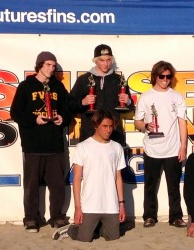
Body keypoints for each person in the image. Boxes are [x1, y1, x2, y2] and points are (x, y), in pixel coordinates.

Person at [10, 51, 71, 233]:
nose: (51, 69)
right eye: (48, 65)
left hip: (54, 144)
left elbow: (67, 109)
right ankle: (31, 218)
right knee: (31, 185)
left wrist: (62, 118)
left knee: (57, 185)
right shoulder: (26, 86)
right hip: (33, 144)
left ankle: (57, 216)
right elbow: (15, 113)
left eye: (54, 66)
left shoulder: (58, 87)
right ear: (39, 66)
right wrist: (33, 119)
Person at [52, 110, 126, 241]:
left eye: (111, 126)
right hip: (90, 204)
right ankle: (70, 229)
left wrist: (121, 204)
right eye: (105, 126)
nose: (108, 130)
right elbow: (76, 179)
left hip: (110, 204)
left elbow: (118, 177)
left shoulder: (117, 147)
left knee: (113, 237)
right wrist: (78, 207)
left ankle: (96, 227)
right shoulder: (83, 147)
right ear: (96, 126)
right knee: (85, 238)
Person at [134, 60, 187, 228]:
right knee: (150, 186)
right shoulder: (146, 97)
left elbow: (182, 123)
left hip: (172, 150)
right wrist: (145, 126)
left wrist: (183, 146)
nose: (165, 79)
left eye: (168, 76)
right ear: (155, 76)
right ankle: (149, 217)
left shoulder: (177, 97)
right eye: (162, 76)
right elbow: (137, 122)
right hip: (152, 149)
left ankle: (176, 217)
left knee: (174, 187)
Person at [69, 44, 134, 147]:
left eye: (108, 60)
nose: (105, 64)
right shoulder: (83, 79)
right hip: (90, 135)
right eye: (102, 60)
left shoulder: (119, 80)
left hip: (113, 135)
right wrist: (83, 102)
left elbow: (129, 108)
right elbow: (70, 105)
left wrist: (128, 101)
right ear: (95, 61)